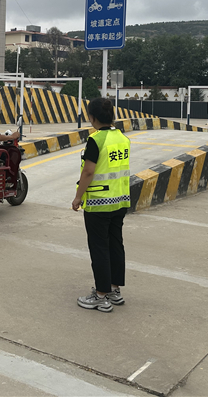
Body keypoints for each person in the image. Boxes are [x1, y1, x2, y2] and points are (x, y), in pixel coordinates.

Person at [71, 97, 131, 312]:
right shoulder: (122, 138)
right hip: (120, 201)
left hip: (99, 203)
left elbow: (88, 172)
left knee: (99, 248)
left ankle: (101, 296)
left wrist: (78, 197)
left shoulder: (96, 140)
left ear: (92, 117)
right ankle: (114, 290)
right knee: (115, 245)